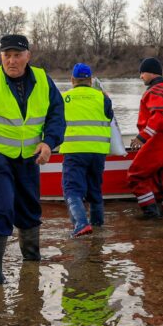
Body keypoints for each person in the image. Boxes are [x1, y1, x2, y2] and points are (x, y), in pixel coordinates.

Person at [0, 34, 65, 284]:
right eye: (7, 56)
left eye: (17, 55)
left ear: (28, 56)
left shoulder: (42, 80)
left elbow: (57, 115)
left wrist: (49, 142)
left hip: (29, 155)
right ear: (0, 57)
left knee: (29, 206)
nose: (12, 61)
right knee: (3, 205)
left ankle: (31, 262)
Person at [127, 57, 163, 219]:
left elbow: (160, 115)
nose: (141, 77)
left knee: (135, 176)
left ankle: (150, 214)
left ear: (151, 73)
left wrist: (142, 137)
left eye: (142, 73)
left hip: (159, 139)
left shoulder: (155, 90)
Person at [60, 62, 114, 237]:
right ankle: (98, 226)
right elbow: (110, 116)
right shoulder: (102, 98)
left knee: (72, 189)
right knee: (95, 190)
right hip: (98, 151)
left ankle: (81, 224)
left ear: (72, 80)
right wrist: (104, 94)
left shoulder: (64, 98)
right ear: (90, 80)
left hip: (75, 150)